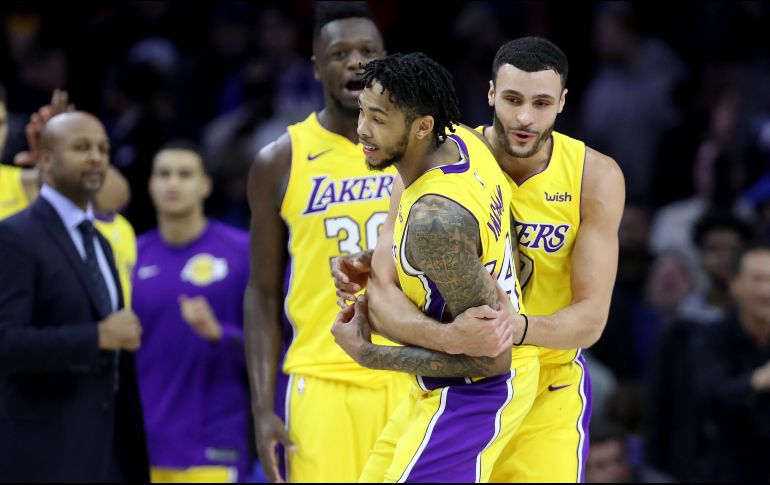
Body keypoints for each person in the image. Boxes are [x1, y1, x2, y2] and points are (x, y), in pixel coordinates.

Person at [333, 36, 625, 482]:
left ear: (563, 102)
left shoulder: (594, 176)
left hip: (546, 379)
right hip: (461, 377)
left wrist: (510, 329)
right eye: (511, 99)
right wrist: (455, 338)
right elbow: (382, 287)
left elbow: (591, 320)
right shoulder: (446, 153)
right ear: (490, 93)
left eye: (542, 103)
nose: (525, 117)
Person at [331, 52, 539, 482]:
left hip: (477, 394)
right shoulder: (461, 141)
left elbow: (489, 361)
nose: (362, 130)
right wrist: (375, 264)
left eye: (379, 119)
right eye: (363, 113)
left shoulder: (436, 222)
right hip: (436, 386)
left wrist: (368, 354)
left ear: (422, 126)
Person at [243, 3, 407, 482]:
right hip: (322, 380)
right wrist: (260, 407)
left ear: (385, 60)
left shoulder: (422, 148)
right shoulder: (280, 160)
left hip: (412, 371)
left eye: (366, 51)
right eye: (339, 52)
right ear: (316, 66)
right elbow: (262, 292)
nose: (355, 62)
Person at [0, 111, 148, 481]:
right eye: (82, 147)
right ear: (46, 159)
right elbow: (6, 343)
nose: (97, 157)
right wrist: (97, 337)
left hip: (107, 452)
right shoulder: (15, 237)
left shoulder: (99, 239)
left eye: (103, 148)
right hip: (43, 455)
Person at [133, 142, 251, 482]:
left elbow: (274, 346)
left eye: (184, 174)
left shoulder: (241, 252)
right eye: (163, 174)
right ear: (151, 185)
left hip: (213, 446)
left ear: (205, 185)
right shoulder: (131, 257)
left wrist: (221, 334)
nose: (173, 183)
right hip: (146, 448)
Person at [690, 242, 770, 482]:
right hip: (726, 469)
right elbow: (708, 396)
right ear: (734, 284)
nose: (766, 290)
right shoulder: (710, 337)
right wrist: (758, 380)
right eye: (758, 279)